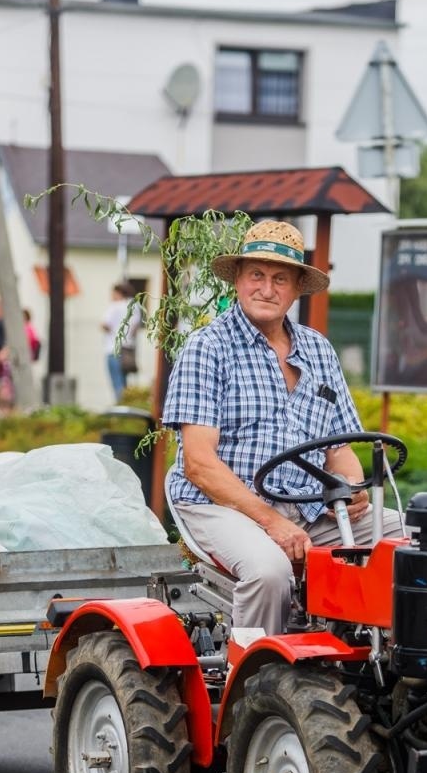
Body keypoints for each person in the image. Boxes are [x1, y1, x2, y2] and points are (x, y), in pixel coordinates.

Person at [163, 220, 401, 636]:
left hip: (307, 509)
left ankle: (396, 668)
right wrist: (272, 522)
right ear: (238, 279)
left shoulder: (318, 349)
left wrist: (350, 487)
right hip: (222, 506)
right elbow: (199, 464)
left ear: (295, 290)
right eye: (256, 275)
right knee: (269, 571)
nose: (267, 289)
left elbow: (341, 447)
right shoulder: (208, 347)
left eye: (280, 279)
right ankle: (258, 685)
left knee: (415, 541)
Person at [101, 281, 140, 401]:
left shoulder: (115, 306)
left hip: (113, 348)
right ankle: (127, 406)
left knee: (117, 383)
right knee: (124, 383)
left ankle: (121, 410)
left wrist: (112, 331)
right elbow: (135, 328)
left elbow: (104, 324)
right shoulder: (135, 306)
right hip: (127, 349)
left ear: (118, 293)